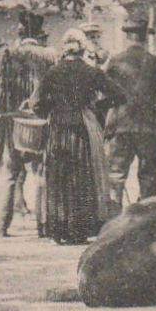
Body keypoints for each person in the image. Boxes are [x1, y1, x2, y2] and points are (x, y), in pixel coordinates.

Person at [32, 28, 122, 244]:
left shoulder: (53, 73)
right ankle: (79, 229)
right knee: (82, 176)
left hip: (58, 130)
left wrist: (50, 110)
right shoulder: (91, 72)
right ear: (82, 50)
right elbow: (119, 94)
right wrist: (97, 109)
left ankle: (58, 229)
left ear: (65, 50)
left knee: (59, 176)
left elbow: (37, 104)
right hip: (82, 129)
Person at [0, 16, 53, 237]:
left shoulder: (9, 55)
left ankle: (0, 224)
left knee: (10, 174)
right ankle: (43, 225)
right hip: (40, 122)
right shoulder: (49, 55)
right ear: (40, 34)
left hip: (15, 123)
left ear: (21, 34)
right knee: (41, 173)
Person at [103, 22, 156, 207]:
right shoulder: (155, 62)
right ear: (145, 38)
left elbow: (104, 92)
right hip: (150, 127)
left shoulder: (115, 61)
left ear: (127, 38)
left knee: (116, 176)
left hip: (120, 125)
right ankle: (148, 222)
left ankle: (114, 220)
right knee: (149, 177)